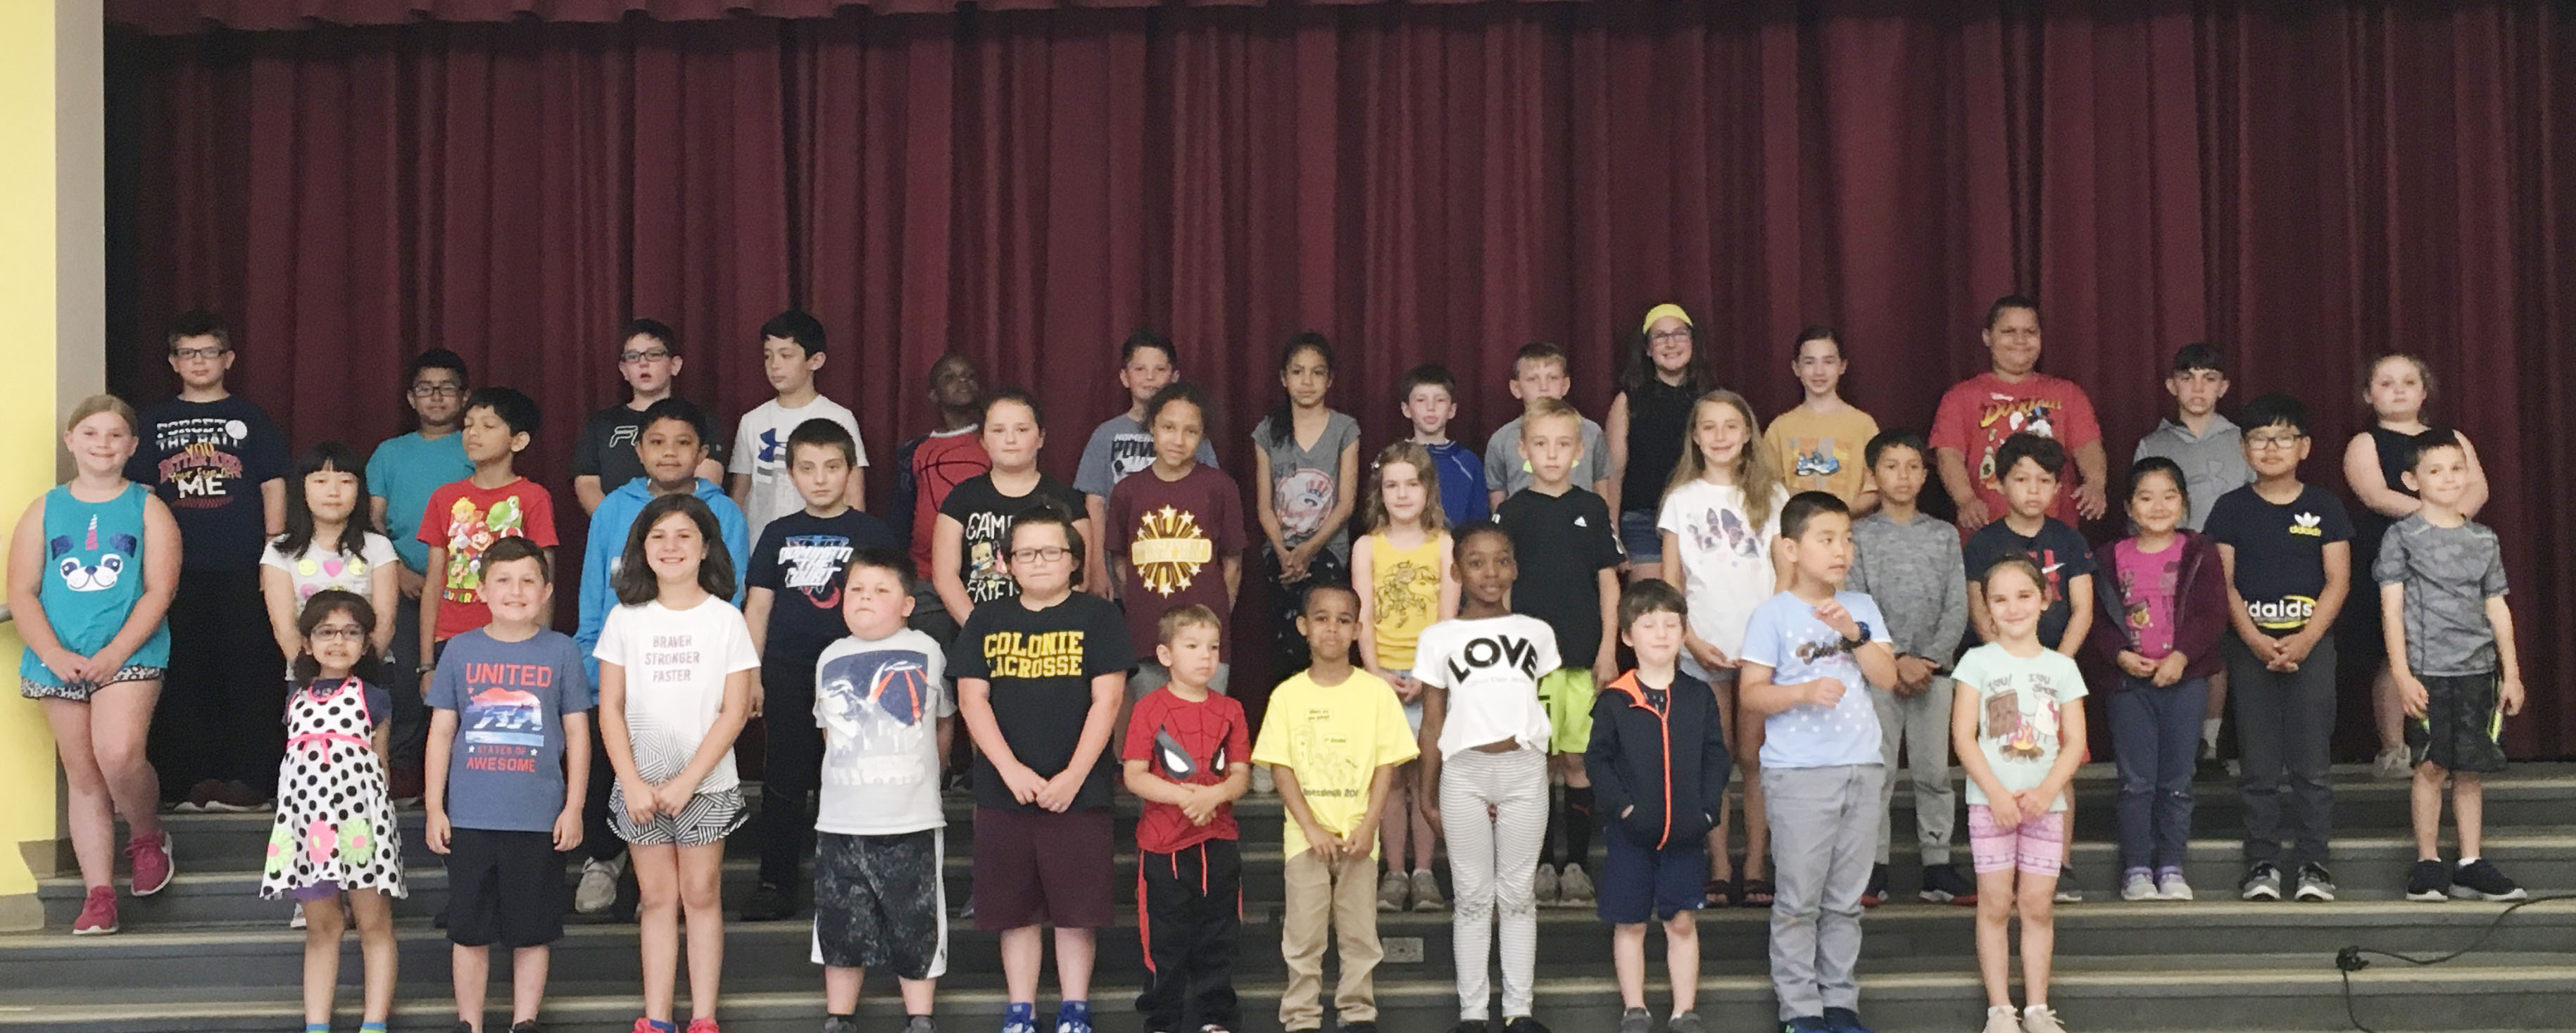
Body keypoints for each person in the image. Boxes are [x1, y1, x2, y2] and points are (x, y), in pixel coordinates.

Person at [948, 500, 1131, 1033]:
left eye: (1052, 552)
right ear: (1006, 563)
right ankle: (1020, 1010)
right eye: (1026, 553)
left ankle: (1075, 1009)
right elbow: (971, 701)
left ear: (1075, 560)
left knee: (1077, 910)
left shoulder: (1098, 617)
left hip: (1080, 789)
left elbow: (1108, 701)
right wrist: (1009, 771)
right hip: (1005, 790)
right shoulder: (986, 618)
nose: (1039, 562)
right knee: (1015, 910)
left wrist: (1073, 776)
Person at [10, 395, 179, 935]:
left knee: (118, 752)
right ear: (70, 441)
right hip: (58, 657)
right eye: (90, 434)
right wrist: (54, 653)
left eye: (113, 435)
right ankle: (99, 892)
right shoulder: (44, 509)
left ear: (131, 446)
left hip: (127, 651)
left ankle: (148, 834)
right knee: (83, 776)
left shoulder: (148, 507)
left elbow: (160, 590)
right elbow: (22, 589)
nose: (102, 444)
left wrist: (115, 653)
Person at [574, 397, 748, 917]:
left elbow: (730, 595)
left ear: (702, 453)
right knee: (615, 771)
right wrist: (592, 670)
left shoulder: (724, 511)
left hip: (696, 683)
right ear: (639, 451)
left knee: (690, 785)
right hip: (616, 672)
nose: (669, 453)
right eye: (656, 442)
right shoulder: (611, 509)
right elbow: (591, 598)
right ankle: (603, 862)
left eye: (683, 443)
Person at [596, 495, 761, 1033]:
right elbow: (610, 708)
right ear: (641, 549)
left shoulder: (726, 619)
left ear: (706, 548)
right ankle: (658, 1017)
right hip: (638, 783)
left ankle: (704, 1018)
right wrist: (632, 781)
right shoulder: (625, 618)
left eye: (684, 536)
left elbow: (735, 711)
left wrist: (689, 780)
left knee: (701, 894)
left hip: (706, 784)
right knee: (657, 897)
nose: (671, 547)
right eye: (658, 536)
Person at [1737, 492, 1897, 1033]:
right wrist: (1801, 692)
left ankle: (1839, 1004)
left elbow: (1888, 677)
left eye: (1846, 539)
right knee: (1799, 899)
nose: (1840, 550)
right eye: (1825, 539)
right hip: (1798, 772)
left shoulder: (1863, 608)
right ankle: (1800, 1010)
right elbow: (1751, 695)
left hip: (1861, 765)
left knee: (1845, 901)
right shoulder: (1771, 615)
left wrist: (1855, 633)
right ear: (1790, 548)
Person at [422, 537, 591, 1033]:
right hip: (471, 817)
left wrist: (574, 806)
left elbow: (578, 733)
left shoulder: (562, 652)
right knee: (469, 930)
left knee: (531, 929)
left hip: (537, 817)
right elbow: (442, 732)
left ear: (545, 591)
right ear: (481, 590)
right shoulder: (459, 650)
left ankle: (525, 1021)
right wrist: (436, 806)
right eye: (503, 580)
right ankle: (469, 1023)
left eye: (527, 581)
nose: (515, 591)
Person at [741, 419, 901, 921]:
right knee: (784, 777)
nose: (820, 479)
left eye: (832, 467)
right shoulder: (776, 534)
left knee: (852, 778)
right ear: (790, 474)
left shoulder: (872, 533)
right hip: (787, 670)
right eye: (807, 468)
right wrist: (750, 675)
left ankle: (859, 886)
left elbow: (890, 602)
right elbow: (758, 608)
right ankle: (775, 882)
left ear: (849, 471)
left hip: (856, 672)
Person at [130, 311, 289, 813]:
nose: (199, 362)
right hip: (174, 574)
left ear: (228, 359)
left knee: (249, 673)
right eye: (188, 353)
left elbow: (273, 484)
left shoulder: (250, 417)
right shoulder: (153, 421)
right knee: (183, 675)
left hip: (243, 566)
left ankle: (248, 782)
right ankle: (186, 783)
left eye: (208, 352)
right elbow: (140, 493)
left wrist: (273, 551)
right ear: (174, 362)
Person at [2204, 393, 2352, 904]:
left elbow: (2337, 581)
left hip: (2312, 650)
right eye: (2259, 439)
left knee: (2311, 764)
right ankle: (2261, 862)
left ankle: (2314, 862)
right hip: (2251, 651)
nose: (2271, 447)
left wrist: (2305, 640)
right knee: (2258, 764)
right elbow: (2222, 585)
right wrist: (2256, 640)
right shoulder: (2229, 509)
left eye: (2283, 437)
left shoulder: (2324, 507)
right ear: (2243, 449)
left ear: (2303, 446)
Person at [1252, 583, 1416, 1033]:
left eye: (1344, 620)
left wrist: (1368, 826)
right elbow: (1281, 769)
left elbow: (1387, 766)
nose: (1332, 628)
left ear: (1358, 629)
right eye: (1322, 618)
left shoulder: (1376, 693)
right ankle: (1302, 1017)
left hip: (1359, 838)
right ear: (1304, 627)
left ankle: (1357, 1013)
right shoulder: (1287, 695)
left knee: (1360, 933)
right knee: (1303, 936)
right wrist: (1311, 828)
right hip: (1306, 838)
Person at [1416, 524, 1559, 1033]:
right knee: (1473, 896)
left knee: (1518, 893)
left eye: (1501, 561)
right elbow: (1433, 721)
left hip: (1522, 769)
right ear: (1456, 571)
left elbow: (1535, 702)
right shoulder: (1438, 637)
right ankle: (1473, 1014)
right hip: (1464, 772)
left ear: (1514, 568)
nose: (1490, 572)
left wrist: (1540, 765)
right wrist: (1426, 793)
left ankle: (1519, 1010)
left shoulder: (1536, 632)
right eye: (1476, 563)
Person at [2375, 432, 2526, 903]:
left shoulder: (2483, 538)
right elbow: (2391, 609)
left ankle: (2469, 861)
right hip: (2427, 670)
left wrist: (2512, 671)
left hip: (2478, 670)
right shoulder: (2401, 536)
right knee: (2431, 765)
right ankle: (2426, 862)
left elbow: (2497, 606)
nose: (2447, 479)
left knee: (2469, 768)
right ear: (2411, 480)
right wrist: (2401, 674)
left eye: (2455, 469)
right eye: (2434, 470)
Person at [810, 547, 956, 1033]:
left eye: (880, 591)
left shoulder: (927, 651)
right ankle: (839, 1017)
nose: (865, 599)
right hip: (841, 817)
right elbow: (828, 733)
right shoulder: (829, 656)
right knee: (840, 923)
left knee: (914, 919)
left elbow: (941, 726)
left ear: (907, 603)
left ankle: (919, 1016)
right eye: (856, 590)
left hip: (909, 815)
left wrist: (929, 779)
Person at [1657, 390, 1788, 908]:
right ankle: (1717, 864)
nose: (1719, 437)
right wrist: (1689, 639)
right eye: (1708, 427)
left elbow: (1786, 572)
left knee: (1755, 759)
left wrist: (1766, 640)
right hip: (1701, 647)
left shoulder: (1772, 496)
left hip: (1759, 651)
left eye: (1730, 427)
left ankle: (1755, 864)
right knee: (1709, 762)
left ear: (1747, 434)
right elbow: (1670, 582)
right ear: (1694, 436)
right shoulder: (1681, 499)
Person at [1585, 579, 1730, 1033]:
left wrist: (1707, 812)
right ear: (1628, 636)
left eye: (1672, 624)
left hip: (1686, 832)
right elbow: (1598, 761)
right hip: (1630, 835)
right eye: (1649, 625)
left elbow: (1716, 756)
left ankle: (1684, 1009)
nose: (1662, 634)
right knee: (1629, 922)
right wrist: (1625, 811)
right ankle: (1635, 1007)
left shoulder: (1697, 695)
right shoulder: (1614, 699)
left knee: (1682, 920)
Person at [1951, 555, 2088, 1033]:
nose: (2012, 608)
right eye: (2000, 600)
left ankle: (2035, 1006)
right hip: (1990, 804)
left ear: (2045, 601)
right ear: (1987, 609)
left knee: (2035, 904)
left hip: (2044, 805)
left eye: (2023, 596)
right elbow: (1964, 737)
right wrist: (1996, 794)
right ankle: (1999, 1008)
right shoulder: (1976, 662)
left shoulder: (2061, 667)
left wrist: (2047, 789)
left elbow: (2074, 741)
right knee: (1993, 902)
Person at [1495, 399, 1621, 908]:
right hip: (1527, 664)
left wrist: (1609, 648)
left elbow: (1608, 583)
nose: (1551, 454)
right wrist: (1505, 654)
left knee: (1575, 759)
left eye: (1562, 444)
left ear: (1580, 450)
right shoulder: (1512, 511)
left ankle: (1577, 865)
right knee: (1535, 761)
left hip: (1581, 659)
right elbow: (1499, 587)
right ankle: (1541, 862)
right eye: (1540, 444)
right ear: (1523, 451)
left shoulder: (1591, 509)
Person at [2342, 355, 2492, 780]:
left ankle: (2452, 744)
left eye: (2409, 382)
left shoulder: (2452, 438)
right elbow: (2375, 495)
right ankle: (2394, 748)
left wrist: (2453, 523)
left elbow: (2478, 485)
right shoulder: (2365, 443)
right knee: (2396, 653)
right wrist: (2435, 518)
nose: (2399, 390)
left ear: (2425, 391)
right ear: (2370, 395)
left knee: (2450, 648)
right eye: (2386, 384)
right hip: (2394, 554)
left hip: (2451, 559)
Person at [260, 590, 404, 1033]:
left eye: (351, 632)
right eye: (326, 632)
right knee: (322, 928)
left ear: (365, 644)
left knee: (372, 923)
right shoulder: (295, 698)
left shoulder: (374, 698)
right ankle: (317, 1025)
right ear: (306, 643)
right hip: (309, 830)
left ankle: (375, 1022)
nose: (338, 642)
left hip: (361, 825)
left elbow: (379, 765)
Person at [2085, 457, 2227, 903]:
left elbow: (2212, 613)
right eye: (2146, 497)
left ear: (2184, 502)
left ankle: (2171, 865)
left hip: (2184, 681)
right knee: (2136, 781)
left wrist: (2181, 657)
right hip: (2129, 685)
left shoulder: (2199, 551)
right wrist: (2121, 655)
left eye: (2169, 496)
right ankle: (2137, 868)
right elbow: (2097, 620)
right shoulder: (2109, 557)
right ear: (2129, 506)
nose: (2159, 506)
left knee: (2178, 778)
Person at [1962, 433, 2096, 900]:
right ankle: (2005, 864)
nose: (2032, 490)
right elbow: (1979, 609)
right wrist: (2005, 660)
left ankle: (2057, 864)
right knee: (2007, 754)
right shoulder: (1984, 542)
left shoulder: (2069, 539)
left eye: (2044, 481)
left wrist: (2054, 666)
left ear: (2058, 488)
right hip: (1999, 672)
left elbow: (2081, 608)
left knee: (2059, 762)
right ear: (1999, 485)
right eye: (2020, 479)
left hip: (2052, 674)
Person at [1845, 431, 1974, 906]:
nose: (1902, 476)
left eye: (1912, 466)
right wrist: (1894, 659)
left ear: (1926, 474)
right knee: (1874, 770)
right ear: (1873, 475)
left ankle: (1936, 866)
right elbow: (1856, 605)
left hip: (1934, 675)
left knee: (1933, 771)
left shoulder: (1942, 535)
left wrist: (1928, 659)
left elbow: (1955, 606)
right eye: (1891, 466)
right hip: (1877, 673)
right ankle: (1871, 867)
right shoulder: (1858, 536)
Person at [1119, 605, 1252, 1033]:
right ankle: (1164, 1018)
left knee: (1218, 934)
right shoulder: (1148, 708)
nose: (1205, 657)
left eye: (1213, 647)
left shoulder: (1231, 709)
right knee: (1165, 939)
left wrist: (1215, 795)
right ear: (1165, 655)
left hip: (1218, 840)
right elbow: (1134, 775)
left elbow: (1241, 774)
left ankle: (1215, 1017)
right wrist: (1184, 797)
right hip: (1163, 845)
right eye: (1192, 646)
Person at [2130, 343, 2251, 771]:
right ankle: (2176, 744)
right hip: (2172, 566)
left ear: (2224, 387)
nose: (2198, 387)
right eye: (2188, 377)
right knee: (2180, 647)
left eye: (2209, 378)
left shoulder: (2243, 440)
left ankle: (2211, 744)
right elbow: (2139, 508)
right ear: (2171, 386)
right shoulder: (2153, 443)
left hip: (2235, 563)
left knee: (2219, 651)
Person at [1352, 441, 1457, 913]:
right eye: (1391, 485)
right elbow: (1363, 618)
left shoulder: (1444, 545)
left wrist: (1426, 674)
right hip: (1382, 678)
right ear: (1380, 491)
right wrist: (1375, 674)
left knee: (1426, 779)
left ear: (1427, 490)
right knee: (1390, 779)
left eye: (1411, 484)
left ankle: (1423, 872)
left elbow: (1447, 618)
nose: (1401, 494)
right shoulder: (1366, 546)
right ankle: (1394, 872)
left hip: (1431, 678)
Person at [368, 348, 475, 800]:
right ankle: (407, 774)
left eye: (447, 387)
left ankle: (463, 779)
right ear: (411, 398)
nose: (436, 397)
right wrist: (399, 572)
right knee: (409, 681)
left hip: (466, 588)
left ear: (464, 397)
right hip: (404, 583)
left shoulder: (476, 446)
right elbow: (373, 520)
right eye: (425, 388)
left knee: (466, 681)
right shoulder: (390, 453)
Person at [1107, 382, 1248, 701]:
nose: (1178, 440)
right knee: (1153, 737)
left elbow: (1232, 564)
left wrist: (1214, 621)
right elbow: (1120, 564)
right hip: (1146, 639)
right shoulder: (1127, 491)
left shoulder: (1220, 487)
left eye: (1191, 431)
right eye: (1169, 428)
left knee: (1202, 737)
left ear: (1202, 437)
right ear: (1152, 428)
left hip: (1205, 642)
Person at [421, 388, 562, 692]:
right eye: (469, 424)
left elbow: (543, 576)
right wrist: (427, 663)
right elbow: (434, 581)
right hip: (452, 638)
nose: (474, 433)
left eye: (488, 425)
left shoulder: (533, 497)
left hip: (517, 636)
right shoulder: (444, 498)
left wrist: (541, 649)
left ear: (519, 440)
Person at [1930, 296, 2108, 531]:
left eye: (2030, 332)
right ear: (1987, 337)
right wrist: (1966, 500)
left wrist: (2095, 484)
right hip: (1986, 533)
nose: (2020, 340)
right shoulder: (1960, 396)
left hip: (2055, 534)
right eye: (2009, 331)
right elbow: (1949, 455)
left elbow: (2087, 446)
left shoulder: (2068, 394)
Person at [1252, 333, 1362, 699]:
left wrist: (1309, 551)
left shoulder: (1345, 429)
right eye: (1297, 372)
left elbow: (1346, 503)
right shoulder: (1268, 431)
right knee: (1287, 648)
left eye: (1317, 373)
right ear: (1284, 378)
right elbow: (1264, 505)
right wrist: (1285, 552)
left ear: (1330, 380)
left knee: (1325, 643)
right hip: (1281, 557)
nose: (1307, 381)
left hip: (1327, 553)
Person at [1076, 329, 1219, 599]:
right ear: (1124, 377)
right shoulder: (1105, 435)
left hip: (1179, 565)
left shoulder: (1193, 436)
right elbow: (1094, 504)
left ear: (1174, 377)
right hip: (1120, 567)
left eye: (1160, 369)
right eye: (1140, 369)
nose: (1150, 377)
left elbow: (1209, 500)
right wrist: (1096, 569)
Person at [933, 389, 1091, 626]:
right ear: (983, 440)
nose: (1010, 439)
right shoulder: (962, 498)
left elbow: (1080, 577)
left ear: (1041, 437)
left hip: (1052, 633)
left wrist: (1049, 626)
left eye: (1022, 430)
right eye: (998, 431)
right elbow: (945, 576)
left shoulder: (1066, 500)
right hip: (980, 631)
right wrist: (979, 630)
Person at [730, 309, 867, 543]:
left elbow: (854, 495)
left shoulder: (839, 418)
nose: (774, 365)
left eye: (786, 355)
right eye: (768, 356)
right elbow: (740, 493)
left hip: (821, 545)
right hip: (760, 544)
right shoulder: (752, 421)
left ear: (815, 361)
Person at [1605, 305, 1720, 582]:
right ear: (1647, 349)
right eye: (1660, 336)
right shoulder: (1628, 402)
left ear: (1693, 342)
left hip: (1701, 517)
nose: (1671, 343)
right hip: (1643, 522)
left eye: (1680, 334)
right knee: (1654, 608)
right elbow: (1613, 475)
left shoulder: (1712, 400)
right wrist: (1612, 536)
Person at [261, 443, 401, 664]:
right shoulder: (279, 551)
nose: (334, 492)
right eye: (320, 481)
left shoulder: (378, 547)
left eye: (346, 482)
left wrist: (354, 675)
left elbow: (385, 624)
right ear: (302, 488)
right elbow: (285, 629)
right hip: (307, 678)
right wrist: (318, 678)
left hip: (370, 675)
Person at [886, 353, 990, 642]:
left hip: (987, 575)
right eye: (950, 377)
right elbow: (902, 515)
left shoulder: (995, 441)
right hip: (926, 578)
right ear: (934, 394)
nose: (962, 382)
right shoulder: (915, 451)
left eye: (969, 376)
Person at [573, 319, 725, 516]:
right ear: (623, 370)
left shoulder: (700, 420)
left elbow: (707, 481)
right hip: (619, 531)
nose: (643, 363)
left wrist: (667, 528)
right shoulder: (602, 423)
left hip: (682, 529)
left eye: (654, 355)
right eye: (633, 357)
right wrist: (616, 524)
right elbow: (587, 483)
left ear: (675, 365)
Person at [1764, 327, 1880, 514]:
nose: (1819, 372)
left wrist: (1835, 516)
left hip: (1849, 535)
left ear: (1842, 366)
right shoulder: (1780, 428)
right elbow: (1769, 487)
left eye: (1828, 362)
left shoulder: (1863, 425)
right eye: (1809, 362)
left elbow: (1875, 488)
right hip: (1797, 534)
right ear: (1796, 368)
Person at [1485, 341, 1613, 509]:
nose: (1544, 388)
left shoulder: (1590, 432)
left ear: (1565, 385)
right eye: (1532, 379)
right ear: (1516, 388)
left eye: (1552, 378)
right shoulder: (1502, 439)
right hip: (1524, 530)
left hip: (1580, 528)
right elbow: (1498, 499)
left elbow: (1601, 487)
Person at [1399, 364, 1489, 529]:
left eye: (1440, 400)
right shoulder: (1393, 460)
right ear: (1406, 409)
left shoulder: (1468, 462)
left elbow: (1479, 524)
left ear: (1452, 410)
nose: (1431, 408)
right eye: (1421, 400)